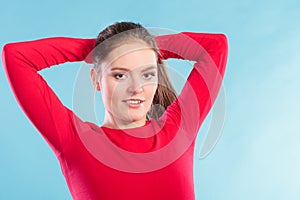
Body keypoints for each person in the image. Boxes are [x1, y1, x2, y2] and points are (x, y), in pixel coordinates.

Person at [2, 21, 228, 200]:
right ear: (96, 79)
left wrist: (141, 44)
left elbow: (216, 45)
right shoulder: (74, 140)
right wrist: (102, 48)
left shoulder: (180, 129)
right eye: (120, 75)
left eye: (147, 74)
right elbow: (16, 57)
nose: (136, 88)